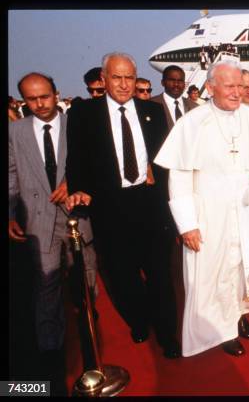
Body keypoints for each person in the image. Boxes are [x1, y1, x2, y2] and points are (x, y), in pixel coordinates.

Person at [154, 60, 249, 357]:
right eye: (230, 86)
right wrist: (187, 225)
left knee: (240, 268)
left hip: (245, 211)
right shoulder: (193, 123)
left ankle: (237, 316)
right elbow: (179, 178)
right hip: (209, 214)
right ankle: (222, 331)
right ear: (210, 88)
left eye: (240, 86)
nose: (237, 93)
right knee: (213, 273)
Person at [65, 52, 180, 359]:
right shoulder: (83, 114)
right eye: (117, 77)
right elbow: (76, 159)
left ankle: (168, 334)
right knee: (123, 274)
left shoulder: (152, 112)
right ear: (104, 79)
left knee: (160, 275)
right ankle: (140, 321)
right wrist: (79, 188)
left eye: (129, 77)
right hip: (110, 206)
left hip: (150, 204)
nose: (124, 84)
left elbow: (165, 160)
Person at [9, 73, 98, 395]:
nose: (40, 104)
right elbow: (10, 174)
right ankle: (50, 352)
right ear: (22, 101)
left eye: (45, 96)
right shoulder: (14, 131)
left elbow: (93, 165)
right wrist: (10, 213)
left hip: (77, 217)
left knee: (86, 280)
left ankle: (90, 336)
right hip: (38, 219)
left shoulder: (77, 124)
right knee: (46, 284)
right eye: (32, 99)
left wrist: (75, 184)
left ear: (56, 93)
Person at [151, 65, 197, 132]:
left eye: (180, 81)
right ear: (163, 82)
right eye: (172, 80)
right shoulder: (151, 105)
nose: (176, 84)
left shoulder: (194, 107)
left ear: (184, 84)